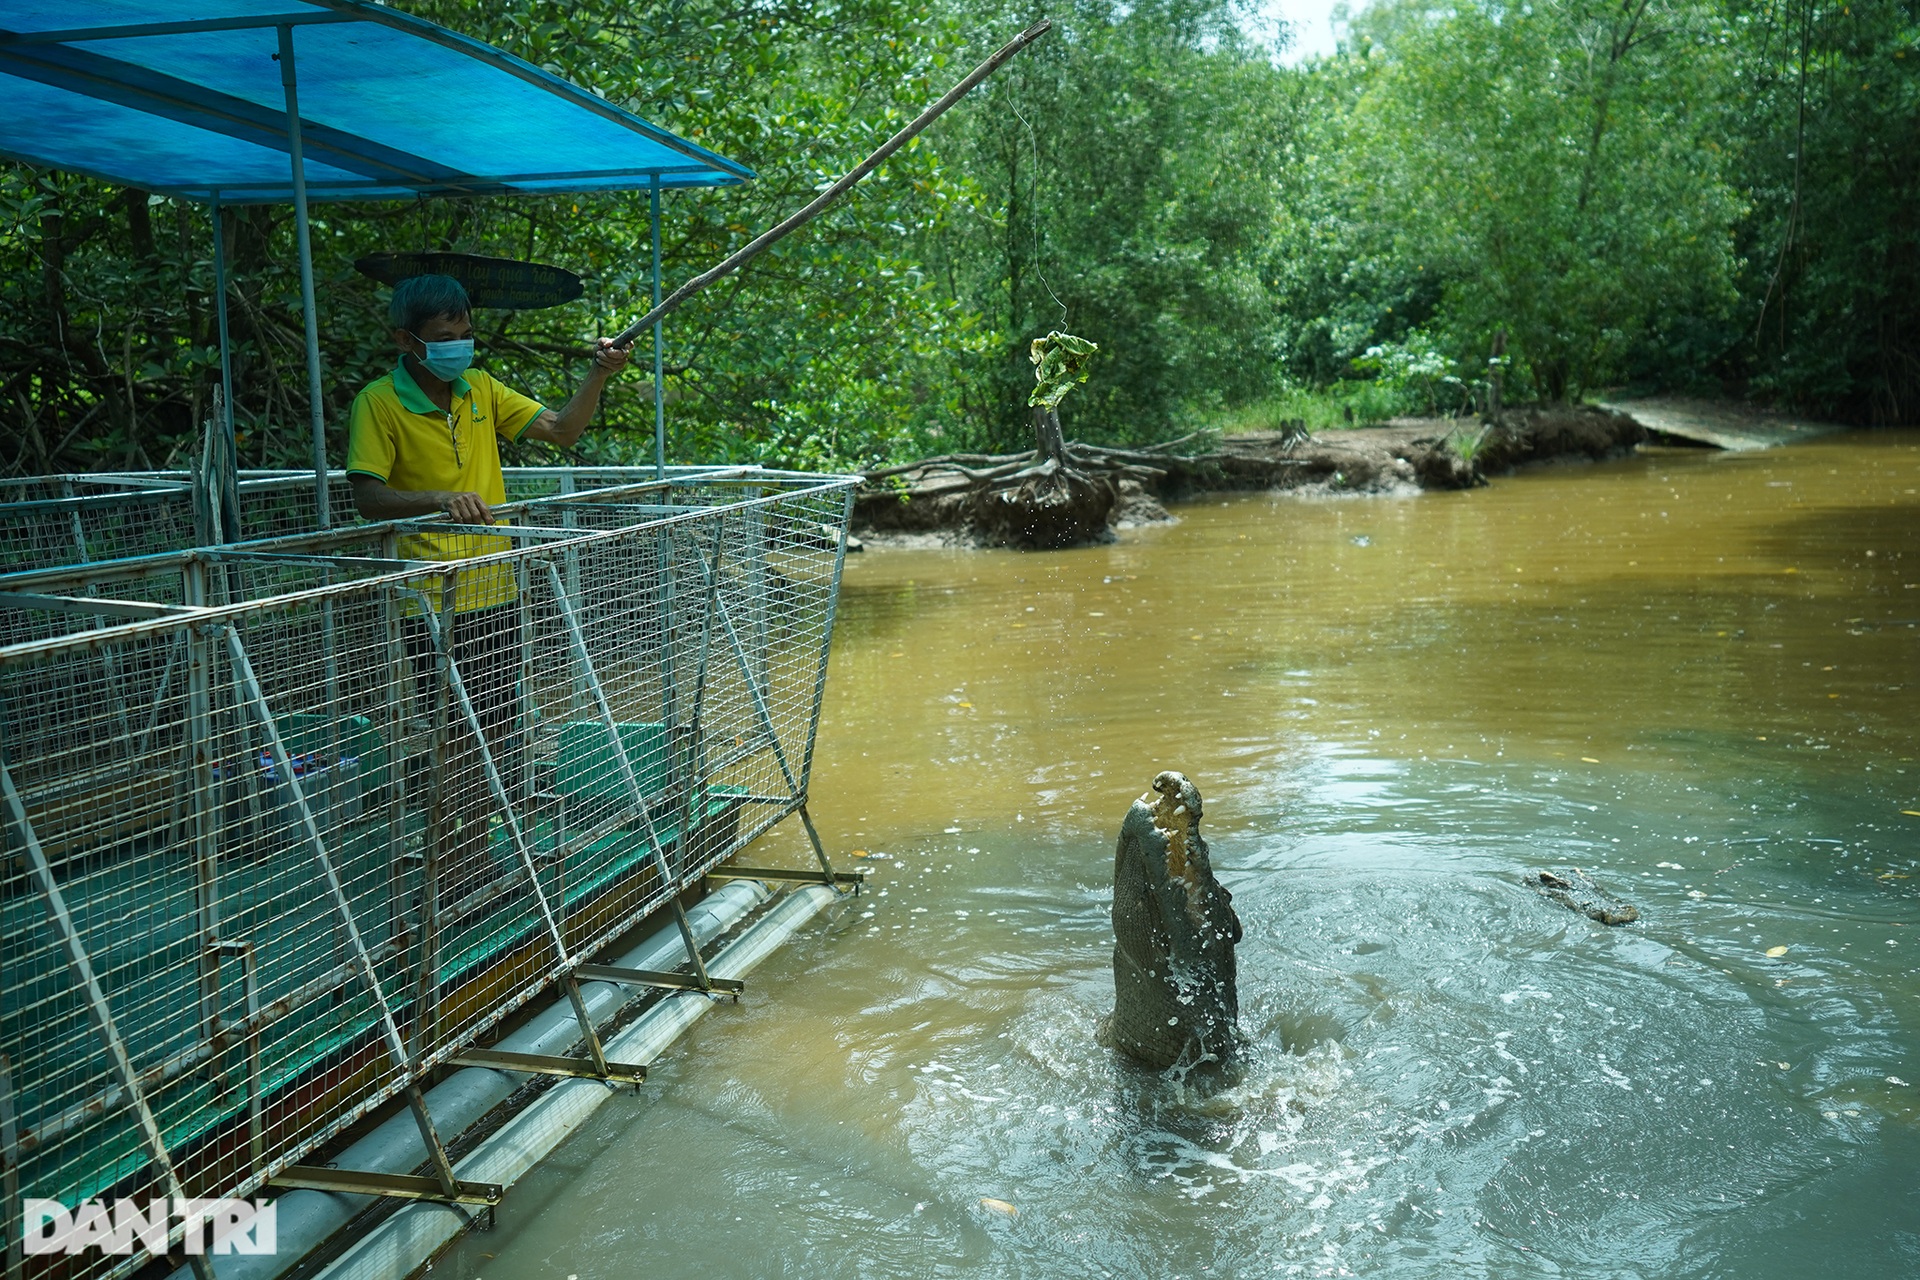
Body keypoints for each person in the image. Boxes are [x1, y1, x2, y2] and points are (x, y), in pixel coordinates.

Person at [345, 273, 629, 918]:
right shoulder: (378, 403)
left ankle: (471, 860)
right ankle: (451, 875)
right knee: (458, 730)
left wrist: (599, 376)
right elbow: (366, 494)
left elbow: (561, 431)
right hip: (429, 590)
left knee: (497, 729)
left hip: (493, 582)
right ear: (405, 339)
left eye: (466, 334)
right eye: (446, 338)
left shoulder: (480, 388)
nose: (460, 347)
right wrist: (438, 499)